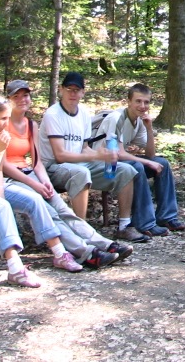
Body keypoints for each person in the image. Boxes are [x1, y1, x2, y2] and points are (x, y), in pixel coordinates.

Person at [0, 94, 83, 288]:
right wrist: (1, 149)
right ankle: (15, 268)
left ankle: (60, 253)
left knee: (34, 199)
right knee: (1, 207)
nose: (6, 123)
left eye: (8, 118)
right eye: (3, 118)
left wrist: (0, 187)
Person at [1, 80, 131, 269]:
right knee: (49, 212)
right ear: (8, 99)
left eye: (25, 95)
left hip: (30, 174)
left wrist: (44, 182)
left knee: (62, 209)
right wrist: (35, 184)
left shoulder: (30, 124)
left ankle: (104, 244)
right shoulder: (1, 123)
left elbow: (36, 162)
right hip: (9, 178)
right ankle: (85, 252)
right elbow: (2, 164)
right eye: (16, 96)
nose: (22, 99)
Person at [38, 72, 149, 244]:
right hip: (52, 168)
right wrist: (96, 155)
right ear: (61, 90)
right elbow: (60, 155)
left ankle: (124, 226)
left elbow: (84, 148)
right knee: (81, 173)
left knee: (125, 170)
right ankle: (80, 233)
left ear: (83, 93)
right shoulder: (53, 114)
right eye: (69, 89)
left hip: (79, 163)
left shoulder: (83, 113)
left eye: (77, 90)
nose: (73, 94)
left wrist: (103, 155)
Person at [93, 83, 184, 237]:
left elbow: (150, 154)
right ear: (129, 101)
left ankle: (167, 217)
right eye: (138, 101)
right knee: (137, 166)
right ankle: (144, 223)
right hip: (103, 166)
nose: (142, 106)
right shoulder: (117, 118)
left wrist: (149, 128)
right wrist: (147, 162)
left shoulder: (138, 121)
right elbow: (118, 153)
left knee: (162, 163)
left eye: (146, 102)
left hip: (118, 162)